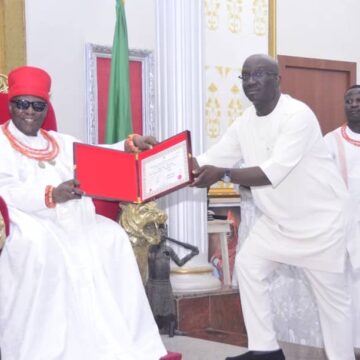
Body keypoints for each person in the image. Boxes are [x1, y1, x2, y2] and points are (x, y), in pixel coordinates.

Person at [192, 54, 358, 360]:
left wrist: (223, 174)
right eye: (246, 77)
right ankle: (266, 350)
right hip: (278, 224)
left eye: (259, 75)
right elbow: (210, 158)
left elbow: (272, 172)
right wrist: (172, 164)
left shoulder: (298, 115)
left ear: (277, 80)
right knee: (249, 265)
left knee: (333, 307)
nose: (252, 82)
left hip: (321, 227)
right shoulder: (245, 123)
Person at [0, 66, 167, 360]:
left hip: (72, 217)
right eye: (22, 104)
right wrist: (51, 194)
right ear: (11, 104)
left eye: (38, 106)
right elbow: (6, 189)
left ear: (46, 107)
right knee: (40, 246)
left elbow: (97, 154)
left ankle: (111, 339)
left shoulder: (59, 141)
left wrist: (130, 145)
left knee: (111, 236)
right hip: (27, 216)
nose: (30, 112)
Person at [324, 84, 360, 349]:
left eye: (358, 99)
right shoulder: (331, 140)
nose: (354, 104)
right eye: (349, 100)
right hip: (342, 225)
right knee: (347, 287)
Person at [146, 224, 199, 337]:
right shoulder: (151, 249)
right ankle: (155, 330)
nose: (164, 235)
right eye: (161, 233)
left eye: (165, 233)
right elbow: (149, 257)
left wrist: (192, 254)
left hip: (166, 284)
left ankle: (171, 329)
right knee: (155, 308)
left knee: (169, 309)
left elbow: (180, 263)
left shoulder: (169, 250)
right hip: (154, 284)